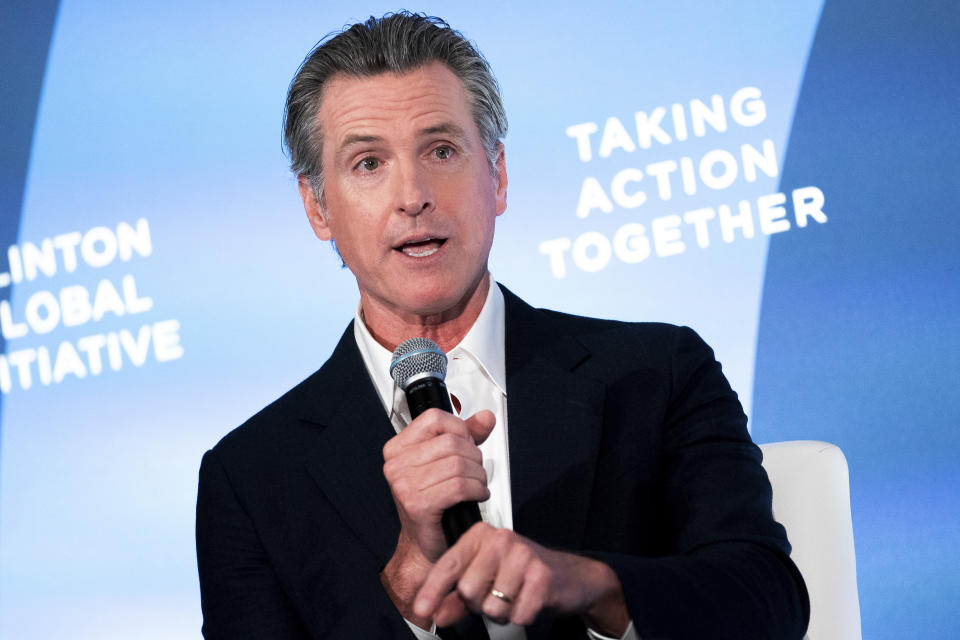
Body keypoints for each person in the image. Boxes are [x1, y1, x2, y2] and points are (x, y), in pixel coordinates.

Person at [195, 12, 809, 640]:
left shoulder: (658, 373)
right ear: (317, 207)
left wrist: (587, 583)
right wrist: (411, 586)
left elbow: (768, 602)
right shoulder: (249, 478)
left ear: (499, 175)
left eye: (441, 150)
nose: (413, 194)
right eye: (368, 163)